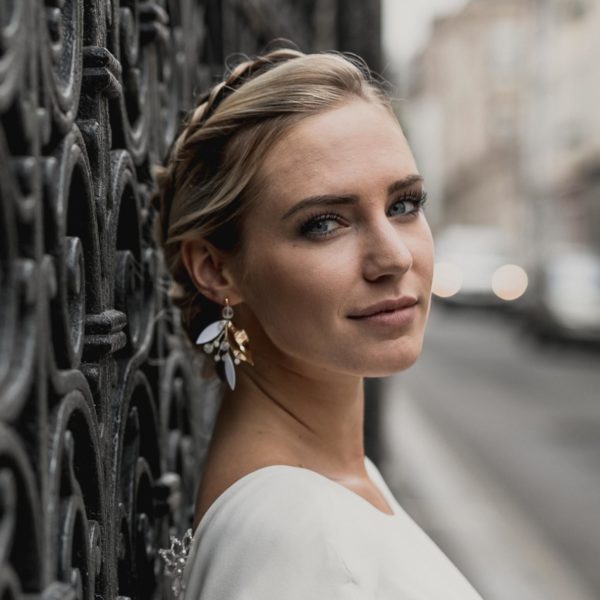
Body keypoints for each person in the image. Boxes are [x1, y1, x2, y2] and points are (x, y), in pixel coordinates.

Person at [153, 47, 483, 599]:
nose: (394, 258)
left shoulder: (334, 487)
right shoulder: (303, 542)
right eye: (325, 223)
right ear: (215, 268)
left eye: (404, 204)